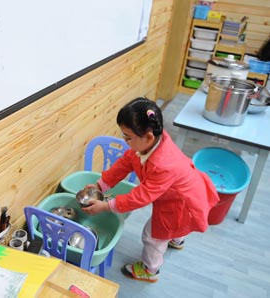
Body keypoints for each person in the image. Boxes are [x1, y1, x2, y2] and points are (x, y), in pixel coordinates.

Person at [81, 97, 219, 283]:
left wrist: (106, 206)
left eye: (127, 137)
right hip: (181, 192)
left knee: (153, 236)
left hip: (180, 202)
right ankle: (176, 239)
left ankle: (150, 270)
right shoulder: (148, 143)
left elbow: (141, 196)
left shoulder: (163, 164)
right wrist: (101, 185)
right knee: (176, 228)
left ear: (147, 137)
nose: (125, 141)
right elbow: (125, 163)